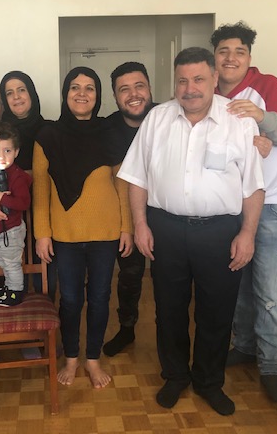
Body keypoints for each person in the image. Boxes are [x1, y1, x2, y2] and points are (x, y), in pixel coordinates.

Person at [118, 47, 265, 415]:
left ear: (214, 78)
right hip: (166, 229)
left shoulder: (238, 121)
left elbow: (253, 186)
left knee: (216, 312)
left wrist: (247, 233)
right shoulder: (157, 119)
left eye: (198, 79)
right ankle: (175, 376)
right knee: (169, 309)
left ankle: (209, 382)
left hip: (220, 232)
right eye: (182, 80)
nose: (190, 88)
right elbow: (136, 177)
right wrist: (140, 224)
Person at [210, 21, 277, 403]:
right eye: (224, 51)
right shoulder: (211, 94)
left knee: (269, 291)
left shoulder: (267, 86)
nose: (231, 58)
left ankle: (271, 367)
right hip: (235, 204)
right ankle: (245, 346)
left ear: (249, 56)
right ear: (214, 56)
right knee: (240, 285)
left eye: (239, 51)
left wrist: (264, 120)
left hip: (275, 203)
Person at [34, 66, 133, 389]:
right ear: (65, 93)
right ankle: (72, 358)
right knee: (71, 299)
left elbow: (122, 185)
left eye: (89, 88)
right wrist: (42, 233)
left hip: (106, 232)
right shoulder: (48, 135)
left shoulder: (110, 133)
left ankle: (92, 359)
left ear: (98, 95)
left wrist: (127, 227)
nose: (82, 93)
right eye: (75, 87)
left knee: (101, 298)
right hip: (65, 234)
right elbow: (41, 189)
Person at [0, 71, 56, 299]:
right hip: (7, 219)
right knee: (12, 271)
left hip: (45, 215)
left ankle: (43, 313)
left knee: (46, 280)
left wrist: (31, 176)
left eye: (21, 90)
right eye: (9, 93)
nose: (16, 97)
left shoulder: (50, 130)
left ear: (32, 93)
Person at [102, 62, 156, 357]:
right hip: (127, 215)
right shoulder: (107, 129)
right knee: (129, 277)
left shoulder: (167, 117)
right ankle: (127, 328)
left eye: (139, 86)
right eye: (124, 89)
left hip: (170, 215)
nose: (133, 94)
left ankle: (169, 335)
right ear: (115, 96)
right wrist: (130, 224)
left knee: (170, 280)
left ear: (149, 87)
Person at [0, 123, 33, 307]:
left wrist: (1, 198)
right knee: (3, 261)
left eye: (7, 151)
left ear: (16, 152)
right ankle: (9, 286)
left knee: (12, 263)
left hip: (11, 230)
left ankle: (15, 292)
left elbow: (23, 203)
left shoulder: (17, 177)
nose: (2, 157)